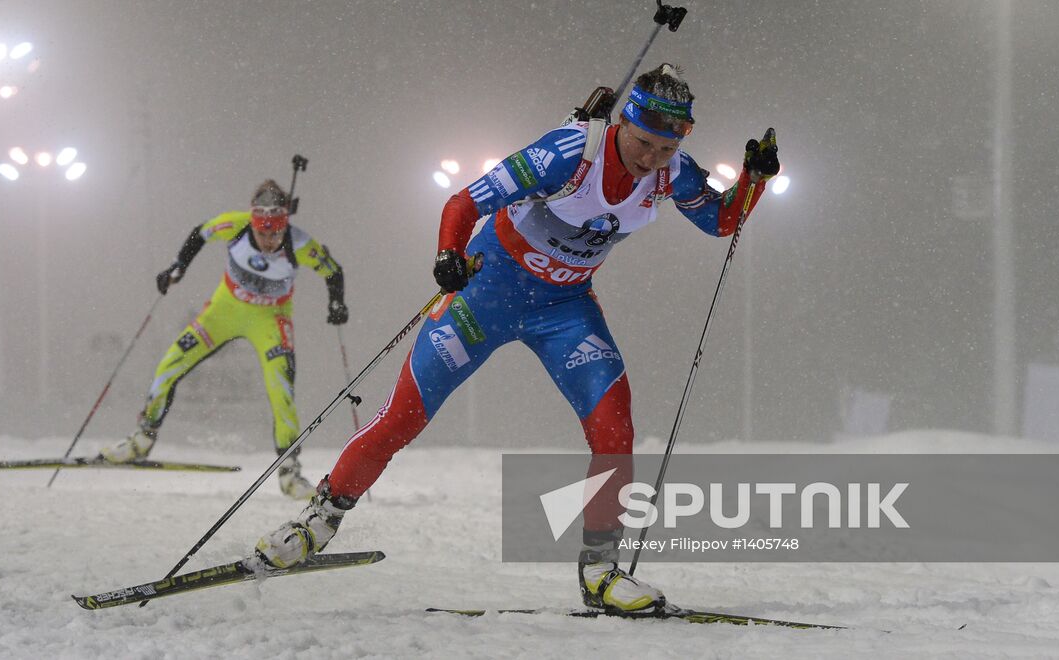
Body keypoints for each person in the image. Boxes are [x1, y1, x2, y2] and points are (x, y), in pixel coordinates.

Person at [252, 64, 779, 613]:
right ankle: (317, 524)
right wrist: (449, 254)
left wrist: (754, 179)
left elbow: (721, 221)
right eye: (644, 143)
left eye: (665, 150)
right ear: (624, 121)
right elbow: (463, 203)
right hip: (486, 298)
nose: (651, 159)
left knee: (615, 427)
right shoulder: (567, 154)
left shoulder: (674, 173)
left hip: (565, 309)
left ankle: (599, 571)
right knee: (403, 417)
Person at [102, 179, 349, 500]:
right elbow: (199, 233)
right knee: (170, 363)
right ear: (254, 223)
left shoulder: (300, 244)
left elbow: (333, 271)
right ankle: (141, 440)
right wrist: (177, 268)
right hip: (223, 312)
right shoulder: (235, 225)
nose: (270, 241)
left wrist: (336, 303)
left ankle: (290, 473)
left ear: (285, 225)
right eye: (263, 233)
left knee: (281, 391)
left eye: (276, 234)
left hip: (269, 320)